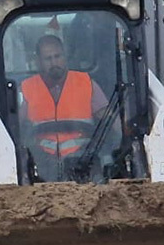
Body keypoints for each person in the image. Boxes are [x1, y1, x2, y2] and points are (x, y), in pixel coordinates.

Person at [19, 34, 112, 163]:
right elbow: (14, 126)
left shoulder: (86, 83)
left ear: (65, 56)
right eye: (48, 59)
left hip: (83, 157)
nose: (54, 62)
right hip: (41, 160)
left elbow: (110, 121)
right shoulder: (26, 88)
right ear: (38, 61)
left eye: (57, 56)